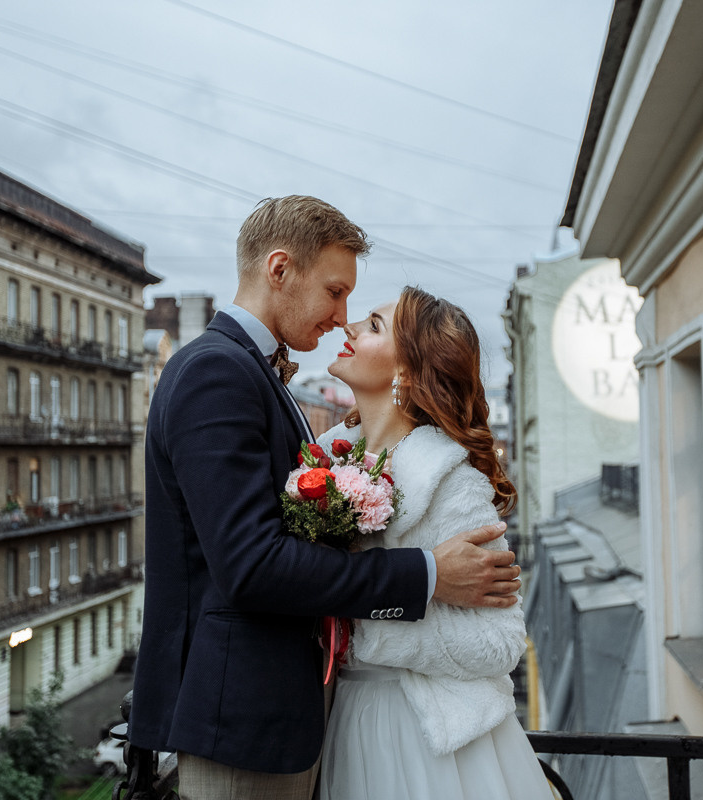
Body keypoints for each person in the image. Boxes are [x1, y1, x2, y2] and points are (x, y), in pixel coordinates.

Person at [128, 197, 523, 800]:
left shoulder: (261, 378)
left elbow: (499, 634)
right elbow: (252, 564)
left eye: (360, 314)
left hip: (313, 722)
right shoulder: (218, 371)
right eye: (336, 293)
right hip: (240, 718)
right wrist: (425, 575)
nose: (341, 318)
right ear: (279, 270)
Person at [317, 286, 554, 800]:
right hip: (346, 721)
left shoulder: (451, 481)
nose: (350, 327)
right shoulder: (325, 466)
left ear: (407, 370)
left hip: (429, 738)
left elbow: (503, 643)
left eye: (375, 325)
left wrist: (370, 639)